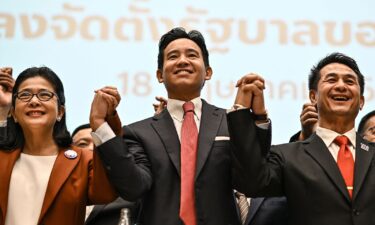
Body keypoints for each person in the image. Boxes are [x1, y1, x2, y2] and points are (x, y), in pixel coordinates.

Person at [89, 27, 284, 225]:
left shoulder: (230, 122)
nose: (183, 61)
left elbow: (251, 179)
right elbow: (133, 187)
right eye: (173, 56)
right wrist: (100, 126)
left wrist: (257, 118)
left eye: (192, 55)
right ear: (159, 75)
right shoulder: (139, 133)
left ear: (208, 72)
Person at [227, 52, 375, 225]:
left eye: (349, 81)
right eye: (331, 80)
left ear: (362, 101)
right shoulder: (287, 156)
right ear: (313, 97)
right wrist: (242, 112)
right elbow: (250, 182)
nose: (341, 86)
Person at [0, 66, 117, 225]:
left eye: (44, 94)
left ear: (60, 112)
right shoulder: (2, 157)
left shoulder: (83, 160)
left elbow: (105, 194)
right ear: (13, 113)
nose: (34, 101)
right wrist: (2, 108)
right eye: (25, 95)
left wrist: (101, 122)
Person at [71, 123, 139, 225]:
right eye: (82, 144)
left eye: (99, 143)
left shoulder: (132, 194)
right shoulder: (56, 189)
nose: (92, 148)